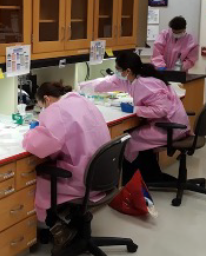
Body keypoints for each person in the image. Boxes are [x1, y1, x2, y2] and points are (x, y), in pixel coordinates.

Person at [22, 82, 110, 249]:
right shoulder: (79, 100)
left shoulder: (57, 111)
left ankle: (54, 225)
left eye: (41, 107)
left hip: (83, 179)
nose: (43, 111)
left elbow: (39, 145)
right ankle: (70, 222)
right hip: (101, 173)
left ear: (46, 99)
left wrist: (29, 134)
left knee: (42, 179)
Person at [79, 52, 189, 182]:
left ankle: (135, 180)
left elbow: (162, 110)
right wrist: (81, 87)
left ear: (128, 71)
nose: (116, 72)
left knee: (128, 140)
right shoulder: (132, 77)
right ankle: (149, 174)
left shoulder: (146, 83)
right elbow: (108, 82)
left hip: (171, 126)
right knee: (133, 134)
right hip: (164, 123)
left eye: (118, 69)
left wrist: (135, 109)